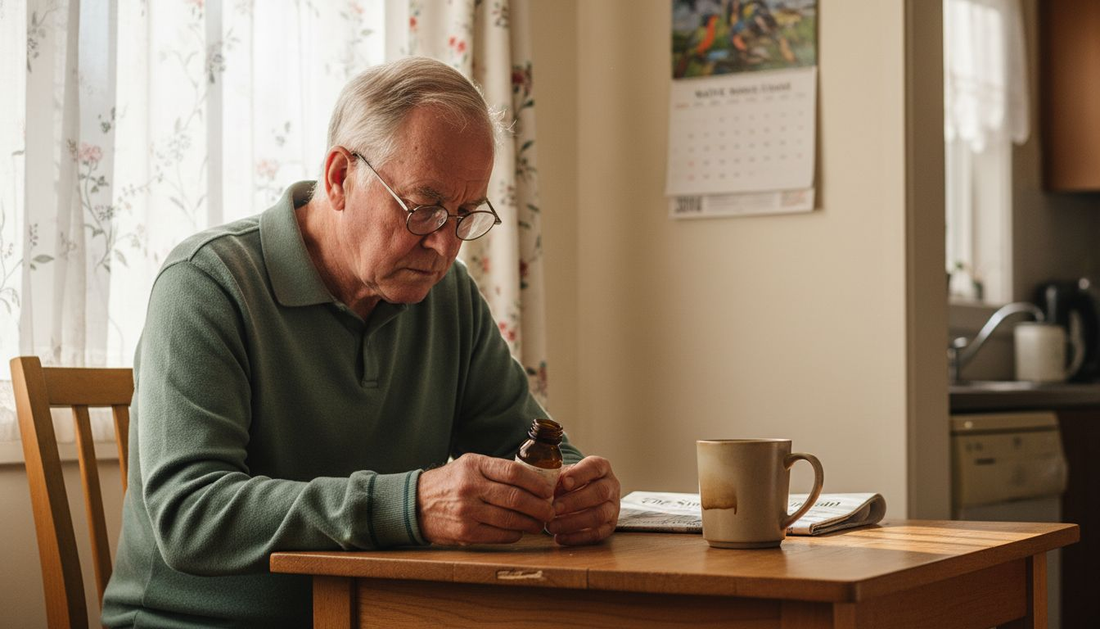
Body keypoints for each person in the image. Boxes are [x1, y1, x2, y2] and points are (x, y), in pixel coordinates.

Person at [101, 56, 620, 628]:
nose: (446, 248)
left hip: (380, 615)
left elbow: (525, 442)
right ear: (339, 177)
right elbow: (191, 516)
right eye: (424, 209)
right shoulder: (206, 283)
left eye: (465, 215)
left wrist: (575, 490)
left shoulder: (448, 297)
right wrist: (410, 506)